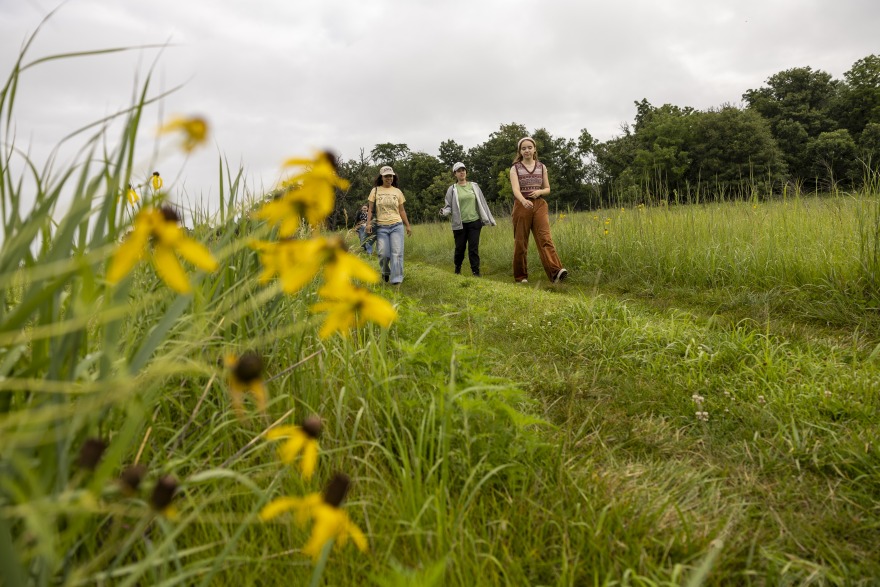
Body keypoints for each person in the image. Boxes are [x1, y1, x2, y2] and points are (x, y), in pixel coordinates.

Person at [509, 137, 568, 284]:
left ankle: (555, 273)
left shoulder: (542, 167)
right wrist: (524, 201)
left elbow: (548, 188)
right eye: (523, 148)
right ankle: (521, 276)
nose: (527, 150)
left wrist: (540, 192)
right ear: (520, 151)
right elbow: (515, 189)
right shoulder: (515, 168)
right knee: (521, 242)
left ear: (534, 149)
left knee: (545, 238)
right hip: (522, 205)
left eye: (529, 147)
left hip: (540, 205)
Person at [439, 162, 496, 276]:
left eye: (463, 170)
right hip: (459, 224)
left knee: (473, 248)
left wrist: (489, 219)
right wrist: (444, 212)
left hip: (474, 222)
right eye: (459, 171)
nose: (462, 172)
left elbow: (482, 203)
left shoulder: (474, 186)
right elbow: (448, 206)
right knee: (460, 248)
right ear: (455, 174)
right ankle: (457, 268)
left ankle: (476, 272)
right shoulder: (452, 189)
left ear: (466, 172)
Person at [366, 165, 412, 284]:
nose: (389, 178)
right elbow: (370, 209)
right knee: (383, 254)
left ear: (393, 177)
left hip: (396, 225)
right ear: (381, 177)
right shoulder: (375, 190)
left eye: (391, 176)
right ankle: (385, 272)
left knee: (397, 253)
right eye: (386, 176)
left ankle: (396, 280)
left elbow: (401, 210)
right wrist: (368, 224)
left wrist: (407, 225)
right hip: (381, 227)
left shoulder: (397, 191)